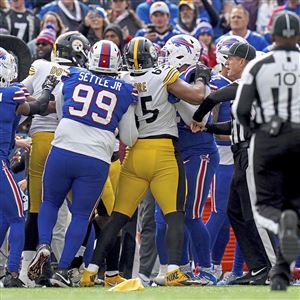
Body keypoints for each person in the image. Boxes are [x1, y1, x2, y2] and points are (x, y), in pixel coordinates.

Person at [80, 36, 212, 287]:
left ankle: (91, 270)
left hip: (134, 153)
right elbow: (196, 97)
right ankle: (173, 271)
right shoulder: (164, 73)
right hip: (163, 152)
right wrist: (202, 77)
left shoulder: (122, 79)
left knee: (118, 216)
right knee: (174, 215)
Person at [27, 39, 139, 287]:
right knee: (80, 215)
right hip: (96, 157)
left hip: (63, 146)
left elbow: (59, 109)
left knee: (49, 202)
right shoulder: (124, 89)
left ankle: (44, 244)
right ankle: (64, 268)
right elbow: (130, 136)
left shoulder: (73, 74)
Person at [192, 41, 276, 286]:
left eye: (231, 58)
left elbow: (214, 98)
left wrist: (197, 118)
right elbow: (235, 127)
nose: (226, 62)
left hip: (254, 154)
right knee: (236, 212)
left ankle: (271, 267)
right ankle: (259, 266)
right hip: (243, 153)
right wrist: (206, 127)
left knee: (255, 214)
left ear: (244, 61)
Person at [233, 11, 300, 291]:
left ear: (272, 35)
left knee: (262, 207)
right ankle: (280, 269)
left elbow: (241, 109)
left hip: (268, 140)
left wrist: (254, 130)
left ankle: (277, 268)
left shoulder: (259, 65)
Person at [19, 31, 91, 287]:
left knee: (39, 208)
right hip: (72, 142)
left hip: (40, 139)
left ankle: (27, 270)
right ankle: (70, 266)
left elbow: (19, 97)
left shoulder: (40, 66)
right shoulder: (85, 75)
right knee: (83, 212)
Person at [0, 48, 58, 288]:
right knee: (17, 217)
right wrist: (49, 86)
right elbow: (38, 107)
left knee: (4, 217)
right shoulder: (12, 92)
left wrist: (15, 142)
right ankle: (13, 273)